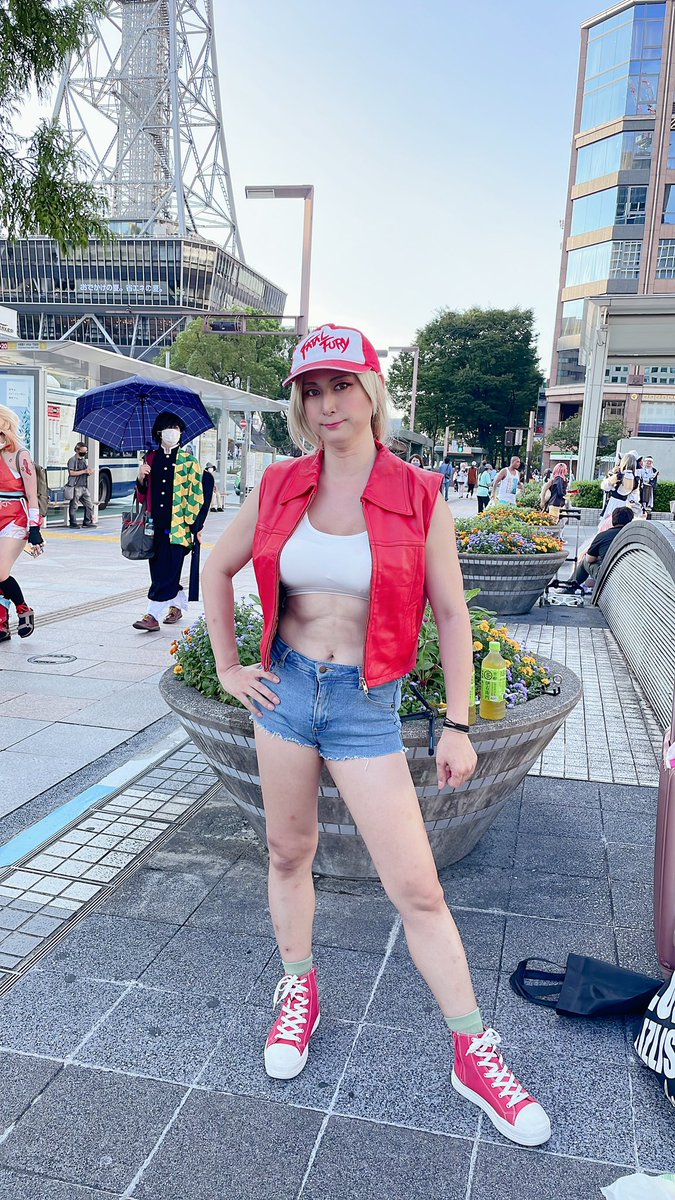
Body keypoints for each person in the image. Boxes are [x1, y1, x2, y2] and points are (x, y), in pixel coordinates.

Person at [200, 322, 552, 1148]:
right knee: (288, 852)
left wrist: (458, 724)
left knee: (417, 889)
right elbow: (216, 567)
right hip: (286, 693)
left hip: (364, 705)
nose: (327, 405)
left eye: (341, 386)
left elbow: (453, 613)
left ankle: (472, 1052)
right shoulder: (279, 483)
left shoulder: (418, 493)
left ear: (370, 393)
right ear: (298, 404)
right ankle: (298, 987)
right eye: (311, 391)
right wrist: (227, 666)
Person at [132, 412, 204, 631]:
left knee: (167, 572)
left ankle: (152, 616)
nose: (172, 432)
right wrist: (141, 477)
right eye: (168, 428)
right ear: (159, 432)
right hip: (154, 526)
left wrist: (196, 527)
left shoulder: (189, 461)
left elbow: (197, 495)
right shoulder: (151, 458)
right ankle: (177, 605)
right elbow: (142, 497)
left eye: (177, 428)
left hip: (179, 528)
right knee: (159, 571)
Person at [0, 404, 44, 643]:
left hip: (16, 518)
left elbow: (31, 494)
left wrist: (34, 528)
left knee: (0, 571)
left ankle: (23, 608)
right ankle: (1, 624)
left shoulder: (20, 455)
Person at [561, 506, 634, 591]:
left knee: (585, 561)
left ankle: (569, 588)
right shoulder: (634, 535)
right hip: (629, 575)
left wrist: (600, 557)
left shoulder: (603, 536)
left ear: (613, 519)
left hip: (609, 575)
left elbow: (589, 559)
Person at [599, 453, 641, 528]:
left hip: (613, 503)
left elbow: (605, 486)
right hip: (625, 505)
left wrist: (611, 475)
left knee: (608, 525)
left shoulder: (618, 476)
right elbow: (634, 498)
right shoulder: (635, 479)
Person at [66, 441, 95, 528]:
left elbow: (84, 472)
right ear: (77, 450)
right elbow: (71, 473)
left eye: (86, 451)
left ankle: (87, 521)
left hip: (83, 486)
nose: (84, 453)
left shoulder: (83, 460)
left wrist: (89, 472)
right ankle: (73, 522)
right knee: (74, 505)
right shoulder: (72, 460)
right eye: (83, 451)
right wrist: (84, 471)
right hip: (75, 486)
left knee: (89, 505)